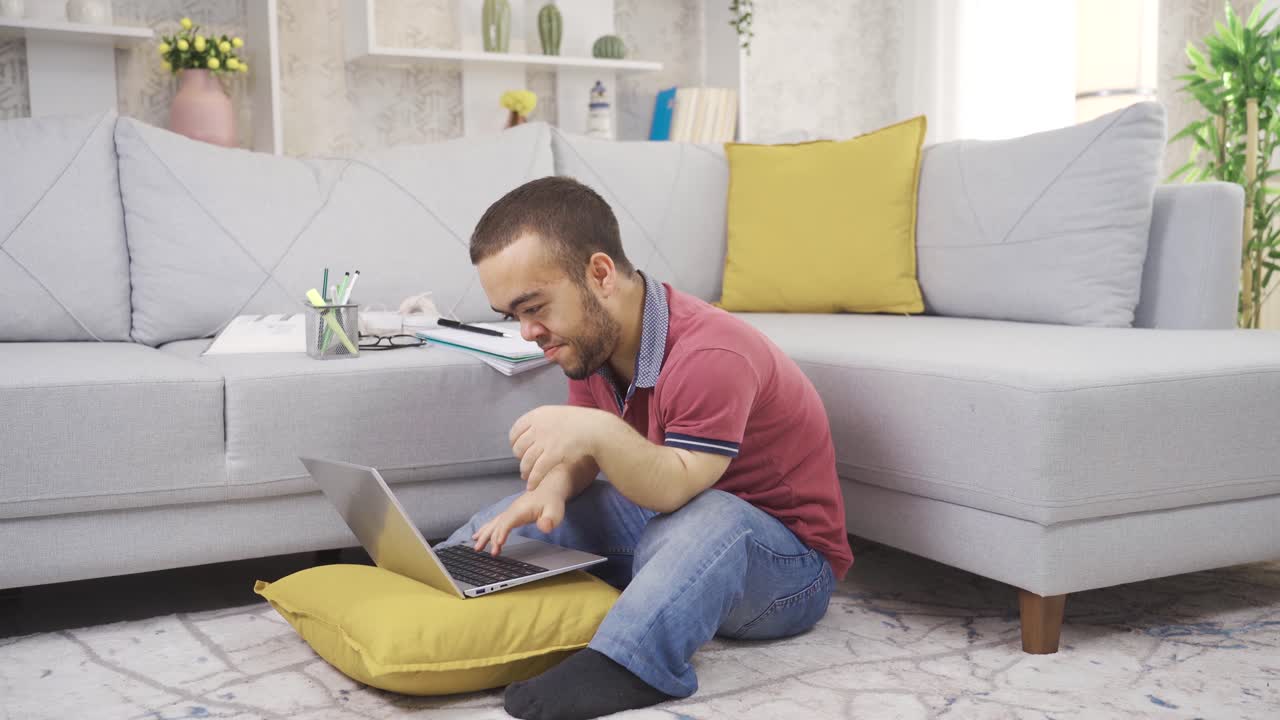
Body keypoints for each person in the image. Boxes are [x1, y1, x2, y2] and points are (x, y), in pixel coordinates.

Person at [442, 176, 853, 720]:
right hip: (673, 523)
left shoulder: (713, 353)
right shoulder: (591, 339)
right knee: (505, 524)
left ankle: (628, 663)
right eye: (513, 315)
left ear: (600, 274)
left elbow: (675, 485)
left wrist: (600, 434)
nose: (526, 333)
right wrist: (549, 492)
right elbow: (584, 455)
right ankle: (443, 579)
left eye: (533, 307)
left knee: (713, 517)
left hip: (788, 567)